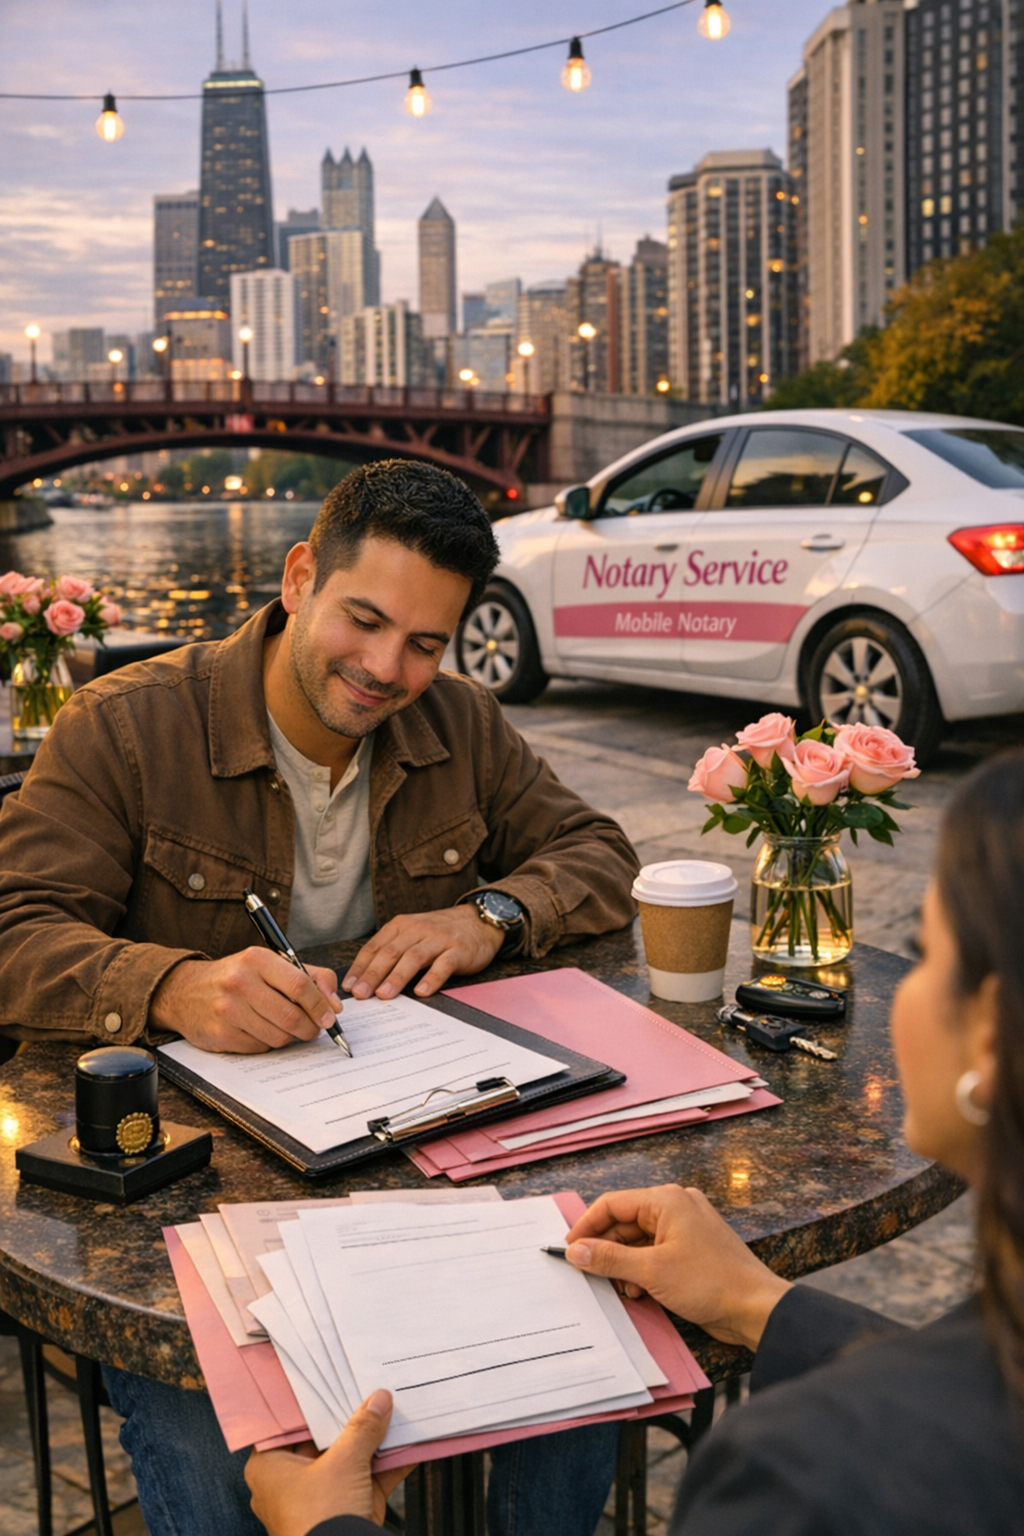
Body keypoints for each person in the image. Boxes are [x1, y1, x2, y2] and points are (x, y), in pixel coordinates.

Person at [0, 459, 638, 1536]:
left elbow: (596, 853)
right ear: (299, 578)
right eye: (365, 620)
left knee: (585, 1362)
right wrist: (175, 984)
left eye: (426, 644)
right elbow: (15, 927)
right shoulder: (122, 726)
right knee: (216, 1458)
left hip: (433, 1177)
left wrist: (487, 916)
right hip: (187, 1214)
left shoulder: (466, 726)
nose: (388, 669)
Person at [244, 750, 1024, 1536]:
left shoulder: (797, 1478)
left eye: (927, 954)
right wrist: (760, 1303)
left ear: (987, 1033)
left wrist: (326, 1532)